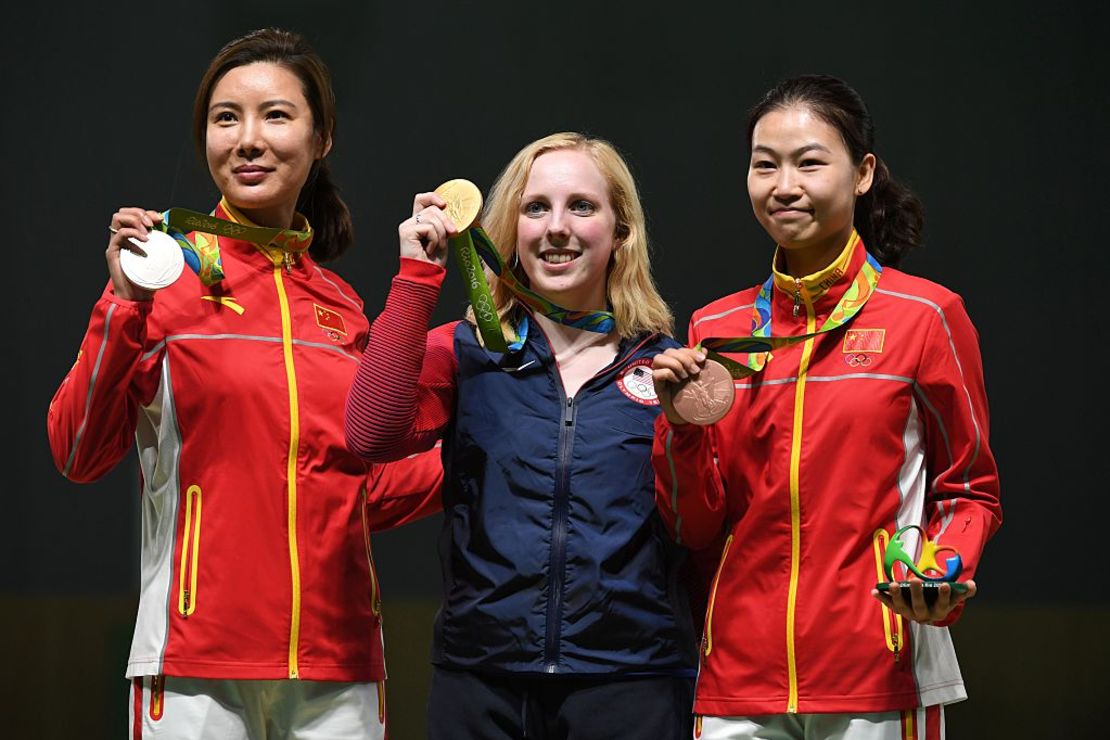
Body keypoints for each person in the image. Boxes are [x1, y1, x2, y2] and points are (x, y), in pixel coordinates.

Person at [46, 28, 441, 740]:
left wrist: (481, 457)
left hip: (340, 664)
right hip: (197, 663)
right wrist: (123, 305)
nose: (248, 139)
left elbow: (359, 489)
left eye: (277, 116)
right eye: (226, 118)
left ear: (321, 139)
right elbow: (77, 452)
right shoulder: (165, 276)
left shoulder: (343, 308)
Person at [650, 74, 1002, 740]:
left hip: (880, 667)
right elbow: (694, 527)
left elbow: (970, 490)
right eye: (764, 165)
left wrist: (941, 568)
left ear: (863, 172)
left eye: (810, 162)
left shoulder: (926, 317)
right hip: (736, 681)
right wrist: (680, 431)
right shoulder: (713, 328)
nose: (784, 184)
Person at [345, 132, 699, 739]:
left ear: (621, 233)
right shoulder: (466, 354)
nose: (556, 227)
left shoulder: (668, 370)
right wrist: (416, 279)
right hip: (481, 682)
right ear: (509, 230)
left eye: (582, 207)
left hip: (632, 685)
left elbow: (701, 525)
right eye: (536, 208)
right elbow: (371, 434)